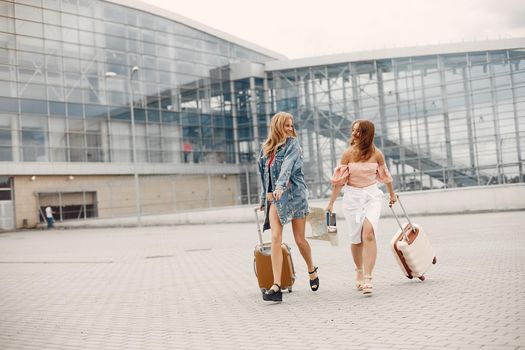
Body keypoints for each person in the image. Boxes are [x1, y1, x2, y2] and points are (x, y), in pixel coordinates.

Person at [326, 119, 396, 295]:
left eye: (358, 131)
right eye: (353, 130)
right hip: (352, 199)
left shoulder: (377, 154)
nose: (354, 134)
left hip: (372, 197)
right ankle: (358, 269)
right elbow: (339, 182)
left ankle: (368, 277)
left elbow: (386, 177)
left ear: (367, 134)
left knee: (369, 234)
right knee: (356, 239)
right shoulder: (347, 154)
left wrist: (392, 195)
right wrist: (331, 202)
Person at [257, 111, 319, 302]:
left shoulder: (293, 145)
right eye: (286, 125)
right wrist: (263, 199)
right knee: (276, 237)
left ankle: (311, 269)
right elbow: (263, 175)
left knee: (300, 239)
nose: (290, 129)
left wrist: (280, 186)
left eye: (291, 125)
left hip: (294, 194)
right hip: (276, 198)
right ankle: (276, 285)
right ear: (277, 126)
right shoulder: (266, 149)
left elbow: (288, 167)